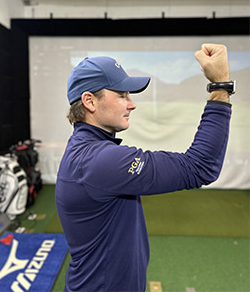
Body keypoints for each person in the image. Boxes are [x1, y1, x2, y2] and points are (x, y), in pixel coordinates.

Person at [56, 44, 233, 291]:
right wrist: (220, 86)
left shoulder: (87, 150)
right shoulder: (99, 161)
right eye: (121, 95)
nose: (132, 104)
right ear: (90, 101)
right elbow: (200, 166)